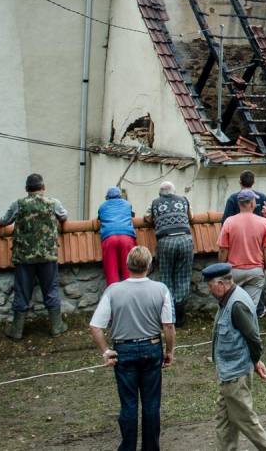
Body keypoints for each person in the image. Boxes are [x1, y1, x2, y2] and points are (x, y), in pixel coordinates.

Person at [89, 245, 175, 451]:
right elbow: (168, 325)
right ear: (149, 265)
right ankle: (151, 447)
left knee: (128, 404)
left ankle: (127, 447)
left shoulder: (113, 290)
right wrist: (169, 351)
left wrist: (106, 351)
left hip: (124, 351)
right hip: (152, 347)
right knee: (151, 404)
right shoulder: (161, 289)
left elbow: (95, 327)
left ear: (128, 265)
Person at [202, 262, 266, 451]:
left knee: (246, 421)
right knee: (224, 422)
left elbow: (253, 338)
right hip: (229, 374)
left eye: (210, 285)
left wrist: (256, 361)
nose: (209, 290)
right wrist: (255, 361)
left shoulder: (236, 304)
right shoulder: (229, 299)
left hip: (235, 375)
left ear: (222, 284)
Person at [0, 172, 69, 339]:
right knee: (50, 288)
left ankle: (16, 330)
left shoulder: (18, 204)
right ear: (43, 188)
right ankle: (57, 326)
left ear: (26, 189)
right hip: (48, 255)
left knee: (22, 291)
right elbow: (64, 216)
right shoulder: (53, 203)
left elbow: (4, 221)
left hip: (24, 256)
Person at [217, 189, 266, 318]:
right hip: (255, 270)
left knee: (230, 305)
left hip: (233, 270)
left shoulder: (229, 222)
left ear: (239, 203)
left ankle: (232, 333)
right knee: (249, 308)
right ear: (252, 203)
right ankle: (248, 334)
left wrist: (222, 268)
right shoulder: (263, 222)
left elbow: (223, 249)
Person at [147, 181, 194, 327]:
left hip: (166, 241)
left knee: (166, 277)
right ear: (174, 191)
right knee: (183, 276)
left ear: (160, 193)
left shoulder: (155, 203)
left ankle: (169, 316)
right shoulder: (184, 200)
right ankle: (180, 316)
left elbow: (148, 218)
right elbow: (191, 217)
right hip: (185, 240)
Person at [98, 186, 138, 286]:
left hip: (109, 238)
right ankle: (130, 297)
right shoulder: (127, 204)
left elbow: (99, 218)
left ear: (107, 197)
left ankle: (114, 298)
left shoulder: (102, 206)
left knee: (112, 274)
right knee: (129, 272)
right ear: (120, 196)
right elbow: (131, 215)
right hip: (127, 238)